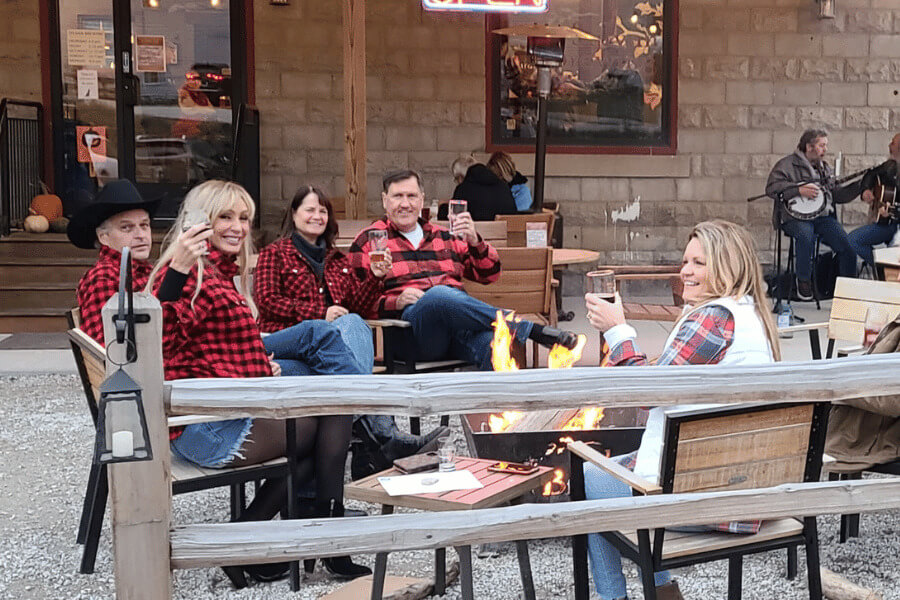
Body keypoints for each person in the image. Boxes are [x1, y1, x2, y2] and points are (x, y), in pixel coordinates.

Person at [145, 180, 371, 586]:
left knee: (328, 401)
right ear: (199, 221)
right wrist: (177, 270)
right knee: (331, 411)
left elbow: (212, 350)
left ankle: (258, 540)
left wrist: (261, 365)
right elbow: (157, 344)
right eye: (225, 217)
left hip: (218, 411)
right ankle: (330, 538)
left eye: (244, 218)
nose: (237, 227)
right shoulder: (190, 275)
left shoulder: (219, 274)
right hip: (205, 427)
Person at [582, 220, 781, 600]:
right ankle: (661, 593)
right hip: (747, 483)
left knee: (593, 475)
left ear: (727, 267)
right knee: (606, 472)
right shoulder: (753, 317)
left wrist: (617, 330)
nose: (685, 271)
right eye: (685, 261)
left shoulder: (714, 318)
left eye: (699, 263)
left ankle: (615, 597)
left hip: (709, 498)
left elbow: (646, 393)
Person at [253, 185, 447, 477]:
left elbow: (359, 305)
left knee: (354, 321)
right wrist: (320, 313)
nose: (317, 216)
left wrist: (375, 278)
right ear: (293, 215)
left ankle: (371, 441)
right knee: (346, 324)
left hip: (329, 357)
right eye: (309, 209)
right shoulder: (274, 254)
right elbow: (267, 302)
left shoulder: (337, 261)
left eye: (322, 210)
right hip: (288, 343)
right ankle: (379, 437)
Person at [348, 169, 577, 372]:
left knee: (496, 344)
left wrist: (475, 240)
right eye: (398, 196)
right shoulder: (371, 241)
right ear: (384, 200)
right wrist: (395, 302)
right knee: (437, 295)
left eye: (412, 196)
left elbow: (490, 274)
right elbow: (354, 303)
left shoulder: (444, 236)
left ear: (422, 200)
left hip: (459, 331)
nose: (405, 203)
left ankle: (497, 417)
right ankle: (531, 330)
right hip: (411, 334)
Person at [766, 128, 860, 301]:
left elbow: (837, 195)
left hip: (821, 217)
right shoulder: (787, 165)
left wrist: (859, 186)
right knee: (806, 235)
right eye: (821, 145)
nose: (825, 149)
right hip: (793, 218)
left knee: (847, 246)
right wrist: (797, 190)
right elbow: (771, 189)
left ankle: (849, 291)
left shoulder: (825, 168)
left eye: (825, 145)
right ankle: (803, 281)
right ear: (809, 147)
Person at [68, 179, 162, 345]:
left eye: (145, 225)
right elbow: (108, 348)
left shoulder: (151, 271)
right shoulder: (103, 277)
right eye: (126, 227)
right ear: (104, 237)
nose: (141, 234)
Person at [848, 133, 900, 269]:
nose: (889, 146)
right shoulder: (890, 165)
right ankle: (882, 268)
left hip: (896, 225)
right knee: (853, 240)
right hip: (886, 224)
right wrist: (865, 190)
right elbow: (870, 175)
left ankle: (887, 269)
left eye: (893, 143)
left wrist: (893, 213)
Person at [449, 155, 518, 221]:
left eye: (456, 179)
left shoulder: (462, 190)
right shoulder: (504, 187)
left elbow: (455, 218)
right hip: (506, 232)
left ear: (460, 177)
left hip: (476, 232)